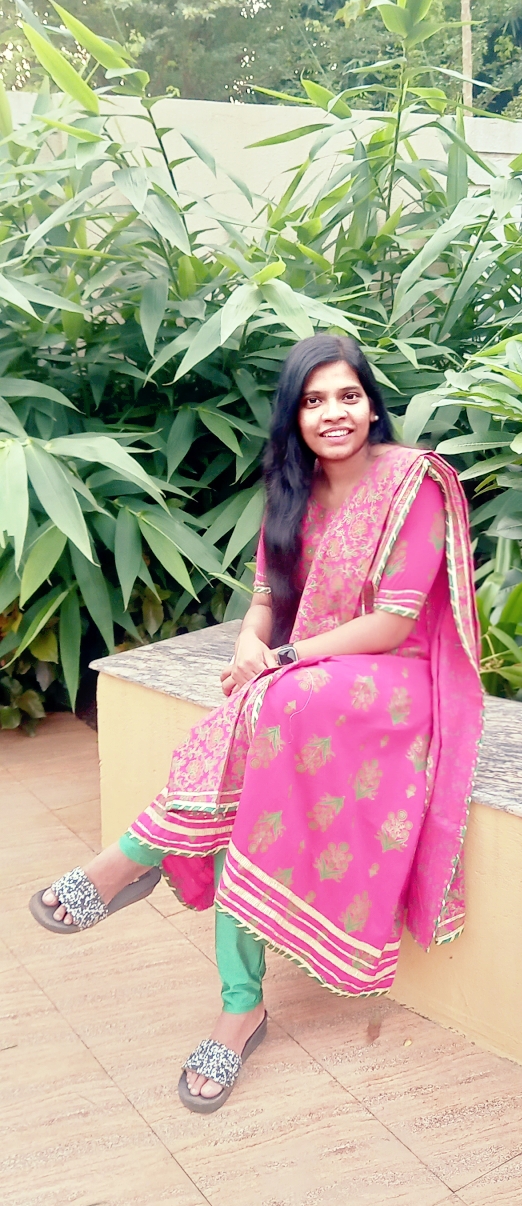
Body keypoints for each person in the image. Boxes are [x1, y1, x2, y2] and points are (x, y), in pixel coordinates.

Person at [31, 335, 483, 1111]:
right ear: (294, 416)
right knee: (249, 780)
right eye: (314, 401)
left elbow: (393, 621)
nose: (334, 413)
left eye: (348, 396)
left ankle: (133, 856)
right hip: (306, 685)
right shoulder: (293, 492)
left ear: (372, 405)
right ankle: (240, 1008)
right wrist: (250, 645)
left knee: (271, 703)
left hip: (394, 683)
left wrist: (280, 660)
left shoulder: (413, 483)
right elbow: (267, 604)